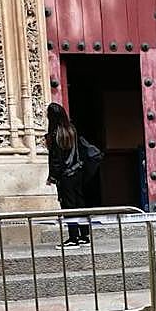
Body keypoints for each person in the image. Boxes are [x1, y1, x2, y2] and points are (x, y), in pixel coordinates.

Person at [44, 102, 99, 248]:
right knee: (80, 204)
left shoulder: (55, 134)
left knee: (69, 206)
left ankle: (73, 238)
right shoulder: (72, 130)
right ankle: (84, 235)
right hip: (78, 172)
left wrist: (53, 177)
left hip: (66, 176)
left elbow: (56, 160)